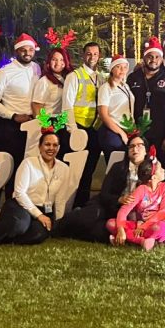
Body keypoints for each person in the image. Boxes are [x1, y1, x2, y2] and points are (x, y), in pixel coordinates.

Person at [0, 131, 69, 248]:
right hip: (20, 205)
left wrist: (57, 223)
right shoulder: (28, 163)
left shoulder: (64, 169)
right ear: (40, 147)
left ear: (59, 148)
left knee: (37, 235)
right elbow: (19, 193)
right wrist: (38, 215)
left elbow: (61, 199)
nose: (51, 148)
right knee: (18, 225)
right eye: (47, 144)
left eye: (55, 145)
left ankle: (3, 236)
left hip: (44, 210)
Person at [54, 132, 150, 243]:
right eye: (132, 146)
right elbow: (104, 193)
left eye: (139, 145)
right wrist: (119, 199)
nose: (135, 149)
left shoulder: (151, 171)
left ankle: (74, 230)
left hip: (126, 216)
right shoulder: (118, 167)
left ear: (146, 150)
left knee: (100, 233)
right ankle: (58, 227)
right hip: (106, 206)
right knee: (89, 217)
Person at [0, 34, 42, 197]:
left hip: (34, 126)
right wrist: (13, 116)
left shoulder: (37, 69)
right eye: (23, 50)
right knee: (6, 168)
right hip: (11, 126)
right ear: (16, 51)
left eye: (30, 49)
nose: (27, 53)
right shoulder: (5, 72)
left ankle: (21, 204)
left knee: (27, 168)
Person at [61, 41, 105, 208]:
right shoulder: (74, 76)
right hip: (78, 129)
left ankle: (82, 205)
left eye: (95, 53)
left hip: (94, 129)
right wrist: (72, 130)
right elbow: (67, 105)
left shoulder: (101, 78)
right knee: (74, 171)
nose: (92, 56)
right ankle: (67, 206)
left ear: (99, 56)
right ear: (83, 54)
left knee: (89, 170)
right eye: (89, 53)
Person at [107, 155, 165, 251]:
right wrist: (120, 229)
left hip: (156, 224)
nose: (164, 170)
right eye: (161, 169)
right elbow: (124, 210)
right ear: (154, 177)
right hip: (139, 225)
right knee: (111, 224)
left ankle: (132, 239)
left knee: (158, 229)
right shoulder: (141, 190)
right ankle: (143, 241)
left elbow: (163, 212)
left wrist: (144, 227)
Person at [128, 37, 165, 171]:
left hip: (160, 135)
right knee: (136, 169)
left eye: (157, 57)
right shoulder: (133, 78)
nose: (153, 60)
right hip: (137, 134)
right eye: (150, 56)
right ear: (144, 57)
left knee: (160, 169)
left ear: (162, 59)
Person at [96, 55, 135, 161]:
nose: (122, 70)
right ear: (112, 69)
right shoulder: (106, 88)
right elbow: (103, 115)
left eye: (125, 67)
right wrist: (120, 132)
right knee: (116, 165)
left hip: (126, 128)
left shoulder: (125, 86)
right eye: (118, 67)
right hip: (112, 131)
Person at [31, 47, 72, 147]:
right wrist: (45, 126)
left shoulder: (68, 78)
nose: (58, 63)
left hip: (65, 121)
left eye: (61, 59)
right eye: (54, 59)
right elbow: (36, 105)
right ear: (49, 62)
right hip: (50, 122)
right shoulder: (44, 81)